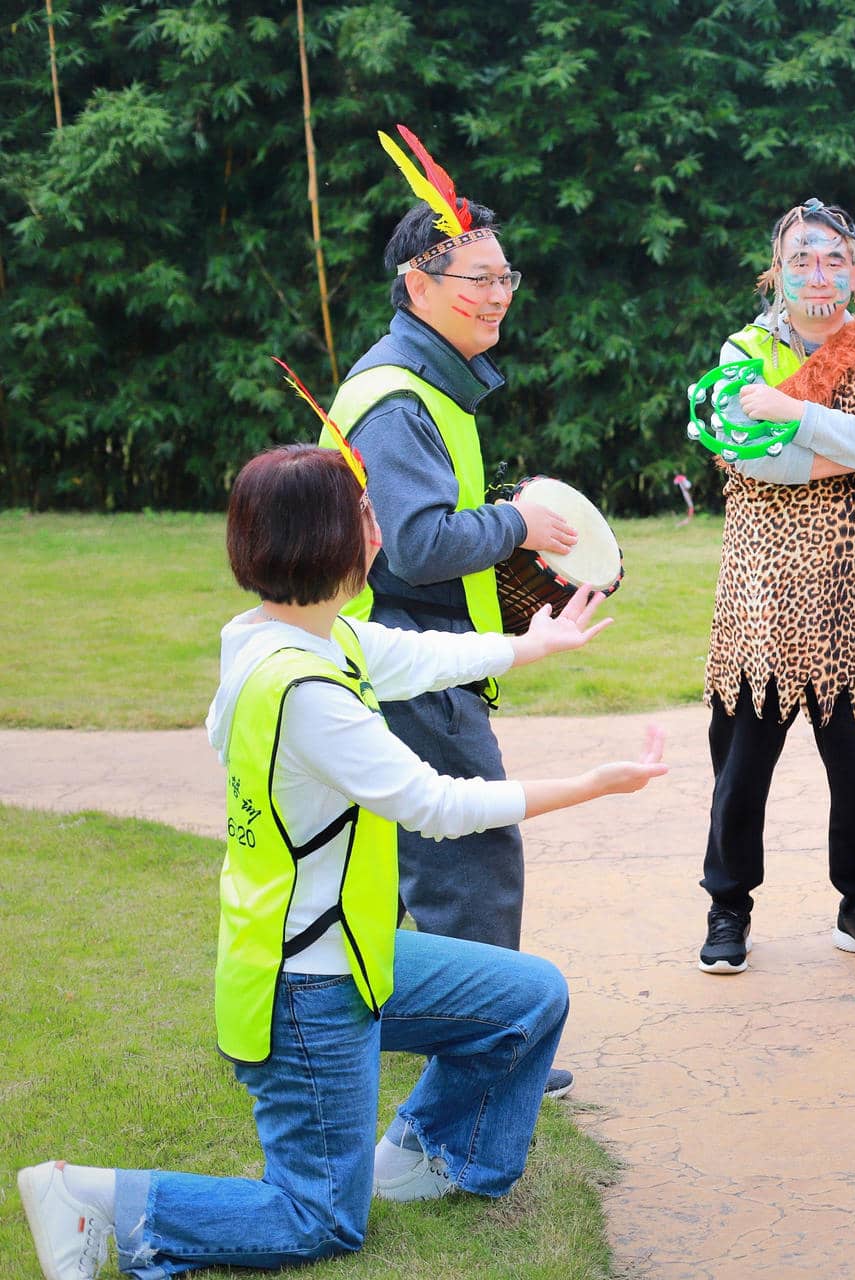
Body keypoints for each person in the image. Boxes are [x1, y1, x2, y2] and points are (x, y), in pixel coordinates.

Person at [14, 443, 667, 1280]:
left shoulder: (289, 639)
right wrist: (591, 785)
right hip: (305, 988)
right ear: (321, 540)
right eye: (362, 516)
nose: (379, 528)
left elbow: (416, 658)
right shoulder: (307, 694)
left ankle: (428, 1153)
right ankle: (93, 1197)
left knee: (529, 996)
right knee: (318, 1217)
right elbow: (434, 804)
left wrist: (531, 648)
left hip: (348, 953)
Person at [325, 128, 579, 1097]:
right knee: (469, 853)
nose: (497, 293)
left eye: (505, 276)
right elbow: (422, 543)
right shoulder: (398, 398)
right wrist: (519, 523)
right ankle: (491, 1048)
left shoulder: (424, 384)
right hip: (405, 655)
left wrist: (511, 546)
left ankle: (325, 1023)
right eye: (477, 277)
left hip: (394, 646)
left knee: (387, 864)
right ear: (417, 285)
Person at [696, 199, 855, 974]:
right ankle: (729, 906)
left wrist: (793, 413)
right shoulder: (746, 347)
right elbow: (743, 450)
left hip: (851, 588)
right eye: (801, 259)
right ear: (777, 271)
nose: (817, 273)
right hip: (759, 591)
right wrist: (853, 457)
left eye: (833, 259)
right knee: (741, 768)